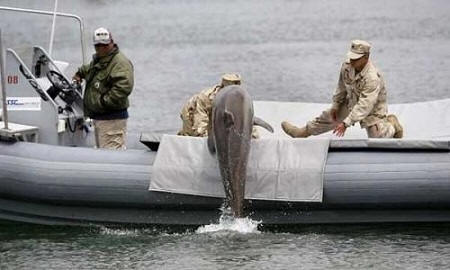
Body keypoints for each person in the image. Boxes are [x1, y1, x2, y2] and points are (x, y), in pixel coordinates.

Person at [282, 40, 403, 139]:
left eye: (356, 58)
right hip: (351, 101)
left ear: (366, 57)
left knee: (377, 137)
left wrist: (346, 123)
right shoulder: (346, 66)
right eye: (351, 57)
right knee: (329, 116)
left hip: (372, 108)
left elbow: (365, 105)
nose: (352, 61)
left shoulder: (372, 78)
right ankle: (301, 133)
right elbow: (341, 87)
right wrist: (336, 105)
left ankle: (392, 124)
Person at [73, 27, 134, 150]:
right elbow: (90, 69)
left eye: (105, 44)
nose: (102, 48)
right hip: (100, 118)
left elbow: (124, 87)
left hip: (112, 118)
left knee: (112, 155)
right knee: (103, 153)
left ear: (112, 42)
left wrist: (102, 102)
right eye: (98, 45)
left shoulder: (120, 62)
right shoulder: (101, 60)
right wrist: (79, 74)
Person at [178, 73, 259, 138]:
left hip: (215, 116)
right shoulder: (206, 98)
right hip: (192, 114)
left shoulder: (239, 100)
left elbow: (245, 120)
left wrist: (252, 136)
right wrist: (205, 137)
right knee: (194, 136)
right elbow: (200, 124)